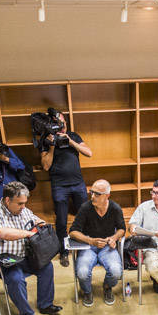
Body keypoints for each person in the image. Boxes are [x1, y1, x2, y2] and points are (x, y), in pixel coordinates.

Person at [0, 181, 62, 315]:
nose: (23, 206)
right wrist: (28, 233)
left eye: (25, 203)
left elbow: (34, 219)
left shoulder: (22, 210)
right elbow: (2, 233)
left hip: (23, 256)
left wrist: (41, 223)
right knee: (16, 278)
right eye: (20, 203)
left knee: (47, 267)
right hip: (1, 260)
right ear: (7, 200)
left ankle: (45, 305)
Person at [40, 109, 92, 267]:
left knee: (85, 216)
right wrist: (52, 146)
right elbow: (46, 166)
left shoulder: (74, 136)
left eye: (63, 123)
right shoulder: (46, 140)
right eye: (58, 123)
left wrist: (70, 142)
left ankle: (85, 247)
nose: (61, 126)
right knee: (61, 221)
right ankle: (64, 252)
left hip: (78, 184)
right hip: (59, 186)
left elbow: (88, 152)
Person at [69, 179, 125, 307]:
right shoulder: (85, 208)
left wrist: (114, 238)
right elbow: (73, 232)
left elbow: (122, 229)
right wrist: (90, 240)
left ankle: (107, 286)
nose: (92, 196)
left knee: (116, 272)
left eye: (97, 194)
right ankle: (87, 291)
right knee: (82, 273)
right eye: (91, 192)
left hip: (107, 246)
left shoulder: (115, 208)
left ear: (107, 196)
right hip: (88, 246)